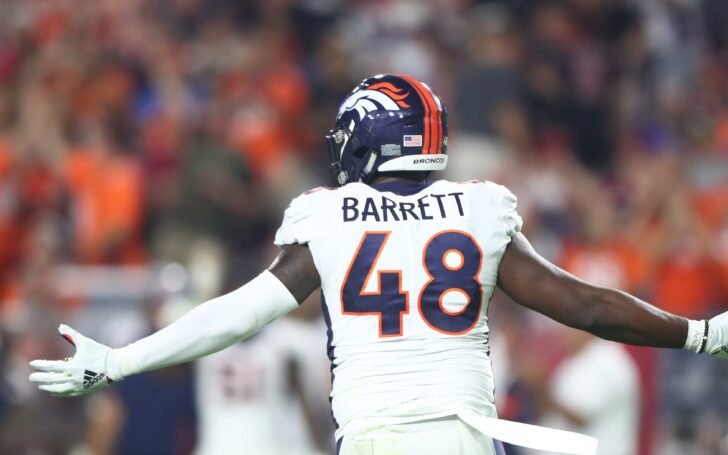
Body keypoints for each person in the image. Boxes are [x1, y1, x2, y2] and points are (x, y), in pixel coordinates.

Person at [28, 74, 728, 455]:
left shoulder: (328, 216)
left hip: (381, 439)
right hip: (464, 438)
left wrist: (121, 360)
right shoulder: (479, 208)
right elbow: (584, 305)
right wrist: (698, 333)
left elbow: (237, 312)